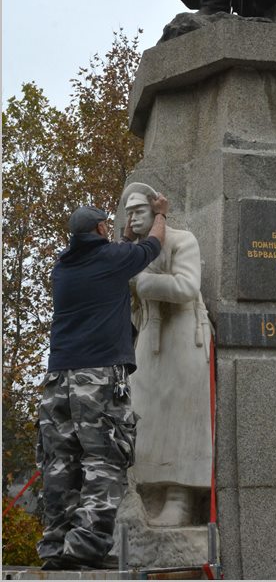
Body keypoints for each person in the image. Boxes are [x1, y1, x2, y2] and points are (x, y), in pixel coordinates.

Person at [37, 196, 168, 569]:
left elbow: (114, 257)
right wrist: (160, 213)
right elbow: (152, 245)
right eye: (106, 226)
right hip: (97, 379)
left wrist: (121, 240)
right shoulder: (112, 260)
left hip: (57, 381)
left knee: (60, 465)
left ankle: (56, 549)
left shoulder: (62, 269)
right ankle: (85, 550)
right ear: (99, 230)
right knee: (104, 462)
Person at [122, 183, 212, 528]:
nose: (132, 218)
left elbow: (188, 286)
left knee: (180, 417)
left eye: (139, 211)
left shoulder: (182, 240)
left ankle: (181, 498)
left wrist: (144, 283)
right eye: (128, 213)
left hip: (182, 337)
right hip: (148, 338)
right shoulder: (136, 253)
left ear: (156, 211)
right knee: (144, 416)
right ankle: (150, 493)